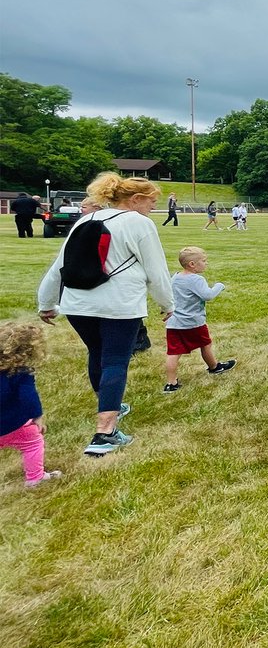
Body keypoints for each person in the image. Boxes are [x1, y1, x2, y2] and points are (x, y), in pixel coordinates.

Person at [36, 172, 174, 457]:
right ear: (135, 199)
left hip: (77, 305)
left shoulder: (87, 220)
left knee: (97, 353)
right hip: (119, 305)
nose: (152, 208)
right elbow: (156, 271)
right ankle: (105, 432)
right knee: (114, 360)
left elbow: (59, 265)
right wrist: (167, 304)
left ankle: (109, 403)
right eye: (151, 202)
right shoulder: (139, 223)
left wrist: (46, 302)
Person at [163, 246, 236, 392]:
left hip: (174, 323)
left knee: (173, 352)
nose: (206, 263)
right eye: (204, 261)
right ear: (192, 264)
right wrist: (219, 286)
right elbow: (207, 295)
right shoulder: (196, 279)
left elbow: (169, 296)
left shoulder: (175, 277)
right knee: (205, 344)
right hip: (193, 323)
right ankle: (214, 367)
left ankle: (171, 383)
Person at [0, 321, 62, 487]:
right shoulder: (22, 372)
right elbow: (28, 396)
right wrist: (37, 417)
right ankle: (35, 478)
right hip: (15, 424)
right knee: (33, 443)